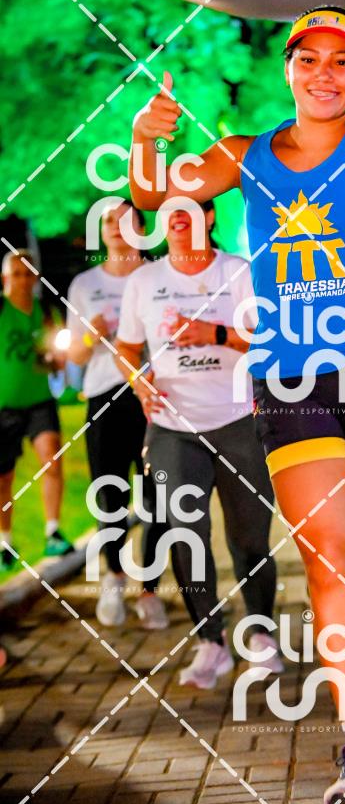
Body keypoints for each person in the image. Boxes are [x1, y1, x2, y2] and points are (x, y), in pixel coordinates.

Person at [128, 5, 345, 804]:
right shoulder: (243, 154)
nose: (324, 73)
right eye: (308, 58)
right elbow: (153, 195)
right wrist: (145, 138)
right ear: (287, 68)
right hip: (289, 379)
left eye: (342, 61)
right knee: (330, 560)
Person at [114, 202, 282, 688]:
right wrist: (139, 381)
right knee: (186, 533)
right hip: (171, 427)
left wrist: (216, 334)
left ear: (209, 216)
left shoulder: (238, 272)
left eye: (190, 206)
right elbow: (126, 349)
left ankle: (261, 635)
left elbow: (269, 340)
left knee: (249, 539)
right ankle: (212, 642)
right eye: (170, 208)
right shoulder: (143, 281)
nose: (178, 214)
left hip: (238, 421)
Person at [67, 201, 169, 629]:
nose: (114, 226)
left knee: (159, 499)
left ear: (142, 229)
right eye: (108, 220)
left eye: (125, 219)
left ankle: (150, 592)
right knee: (111, 495)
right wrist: (90, 336)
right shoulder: (84, 284)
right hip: (104, 397)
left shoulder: (160, 275)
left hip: (154, 397)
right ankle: (113, 577)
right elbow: (74, 355)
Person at [0, 250, 73, 574]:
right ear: (5, 278)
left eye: (28, 273)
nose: (23, 280)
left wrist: (57, 360)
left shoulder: (45, 312)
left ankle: (53, 531)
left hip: (40, 401)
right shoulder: (2, 310)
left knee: (52, 459)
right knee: (4, 478)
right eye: (16, 274)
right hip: (4, 407)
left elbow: (52, 357)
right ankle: (5, 542)